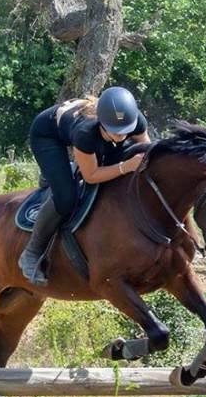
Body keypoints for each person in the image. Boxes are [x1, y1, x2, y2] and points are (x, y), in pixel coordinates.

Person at [18, 86, 150, 286]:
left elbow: (145, 151)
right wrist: (125, 166)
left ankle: (57, 173)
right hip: (48, 135)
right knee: (66, 198)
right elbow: (92, 176)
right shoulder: (85, 132)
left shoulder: (134, 120)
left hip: (83, 133)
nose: (122, 136)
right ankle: (32, 252)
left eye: (125, 131)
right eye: (116, 131)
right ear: (102, 123)